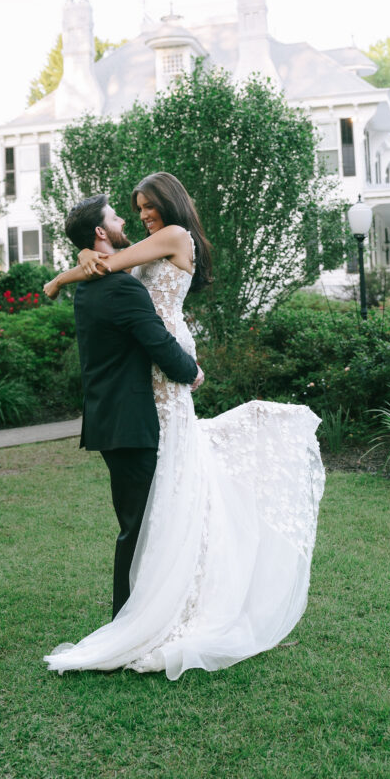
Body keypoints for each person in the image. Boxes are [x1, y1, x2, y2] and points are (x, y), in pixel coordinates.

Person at [43, 173, 324, 680]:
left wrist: (69, 273)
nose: (142, 215)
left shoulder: (175, 238)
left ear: (169, 203)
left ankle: (160, 610)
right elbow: (110, 264)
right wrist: (84, 261)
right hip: (150, 383)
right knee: (171, 492)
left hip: (165, 370)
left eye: (149, 206)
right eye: (133, 209)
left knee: (169, 490)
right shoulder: (144, 250)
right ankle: (155, 607)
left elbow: (110, 262)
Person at [52, 193, 203, 620]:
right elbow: (158, 343)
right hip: (132, 419)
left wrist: (69, 269)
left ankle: (150, 609)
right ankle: (129, 620)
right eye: (119, 215)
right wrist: (191, 371)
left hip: (113, 418)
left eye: (141, 207)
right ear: (102, 231)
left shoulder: (92, 284)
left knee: (144, 520)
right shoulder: (122, 286)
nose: (130, 218)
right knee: (141, 526)